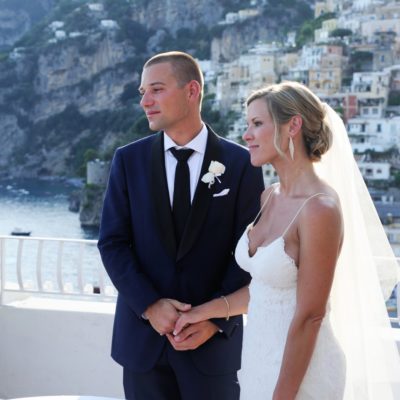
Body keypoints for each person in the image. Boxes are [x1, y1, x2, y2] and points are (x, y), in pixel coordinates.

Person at [173, 81, 400, 399]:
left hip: (301, 375)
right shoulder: (269, 197)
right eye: (247, 124)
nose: (246, 135)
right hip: (257, 362)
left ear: (293, 125)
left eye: (257, 123)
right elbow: (268, 289)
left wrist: (283, 395)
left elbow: (310, 315)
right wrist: (203, 312)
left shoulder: (319, 208)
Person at [97, 51, 265, 400]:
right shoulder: (128, 161)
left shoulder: (241, 164)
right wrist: (149, 306)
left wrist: (214, 320)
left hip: (211, 348)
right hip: (143, 345)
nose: (145, 101)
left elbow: (250, 251)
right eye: (143, 92)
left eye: (156, 89)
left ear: (192, 91)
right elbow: (112, 243)